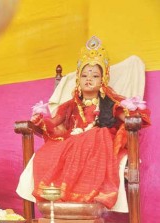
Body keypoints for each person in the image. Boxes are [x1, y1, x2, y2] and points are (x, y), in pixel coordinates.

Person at [19, 36, 151, 208]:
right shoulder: (71, 105)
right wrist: (39, 121)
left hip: (98, 143)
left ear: (103, 80)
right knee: (46, 154)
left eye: (95, 75)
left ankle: (87, 196)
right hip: (71, 142)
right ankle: (62, 197)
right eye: (84, 75)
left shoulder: (110, 103)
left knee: (99, 133)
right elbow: (54, 122)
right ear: (78, 80)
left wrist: (132, 113)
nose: (89, 78)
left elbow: (127, 119)